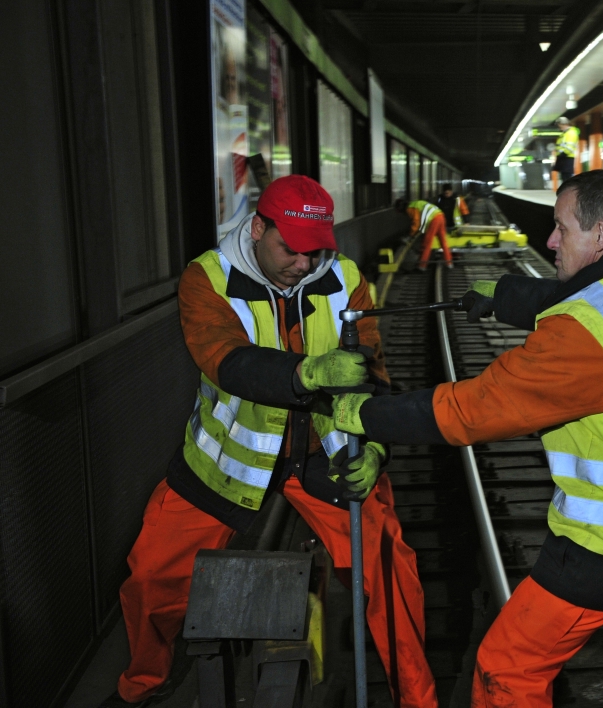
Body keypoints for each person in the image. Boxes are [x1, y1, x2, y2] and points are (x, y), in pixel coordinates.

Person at [333, 170, 603, 707]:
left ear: (600, 237)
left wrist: (370, 414)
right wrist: (505, 298)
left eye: (561, 229)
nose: (549, 240)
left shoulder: (585, 335)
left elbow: (473, 410)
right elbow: (594, 300)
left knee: (506, 667)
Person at [103, 175, 437, 708]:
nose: (305, 264)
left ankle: (418, 700)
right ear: (259, 227)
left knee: (391, 572)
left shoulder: (345, 277)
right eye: (292, 250)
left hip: (322, 454)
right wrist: (308, 373)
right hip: (228, 461)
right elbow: (224, 360)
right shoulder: (208, 278)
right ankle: (144, 682)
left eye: (316, 251)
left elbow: (374, 371)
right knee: (150, 577)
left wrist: (376, 449)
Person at [396, 197, 453, 270]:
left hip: (434, 219)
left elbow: (416, 223)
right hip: (441, 216)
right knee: (443, 242)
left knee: (427, 243)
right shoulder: (416, 203)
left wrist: (410, 236)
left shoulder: (410, 208)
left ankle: (422, 266)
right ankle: (449, 263)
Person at [552, 116, 580, 183]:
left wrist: (563, 154)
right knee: (564, 176)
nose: (559, 126)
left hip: (566, 157)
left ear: (563, 124)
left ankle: (567, 191)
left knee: (566, 176)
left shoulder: (571, 133)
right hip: (563, 156)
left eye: (559, 124)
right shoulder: (565, 133)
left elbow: (570, 146)